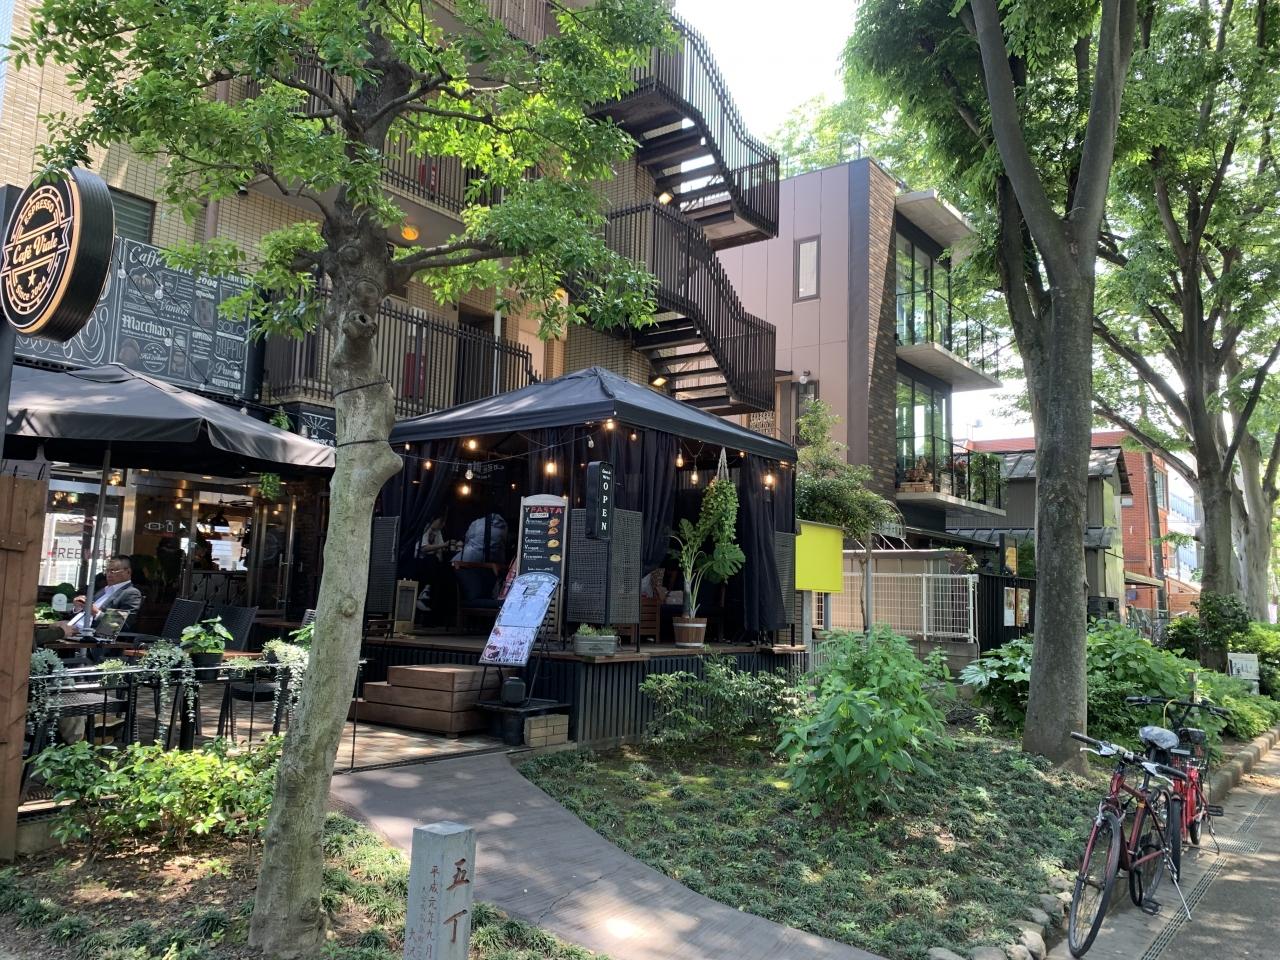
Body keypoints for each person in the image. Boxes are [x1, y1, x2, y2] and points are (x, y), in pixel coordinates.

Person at [58, 555, 143, 639]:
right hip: (75, 630)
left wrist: (96, 613)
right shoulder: (103, 590)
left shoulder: (131, 593)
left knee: (55, 632)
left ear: (128, 572)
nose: (109, 574)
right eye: (107, 571)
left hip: (94, 638)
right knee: (55, 627)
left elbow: (123, 625)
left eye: (113, 571)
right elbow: (85, 613)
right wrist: (79, 607)